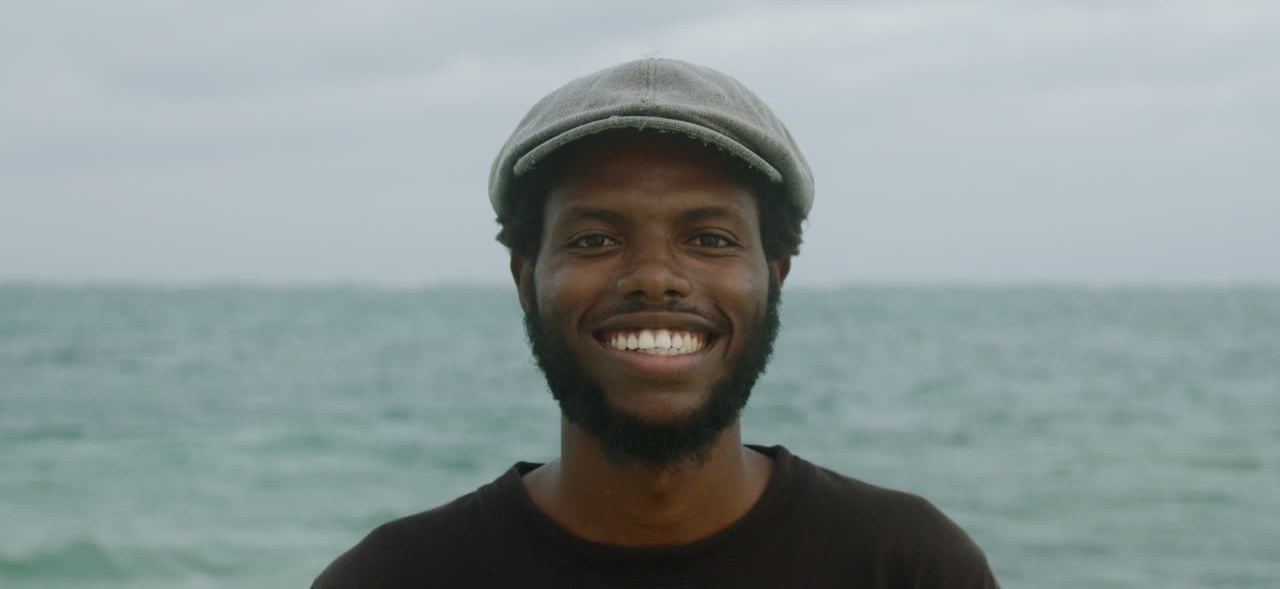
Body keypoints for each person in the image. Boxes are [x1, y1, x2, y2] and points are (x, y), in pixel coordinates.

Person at [313, 58, 1000, 587]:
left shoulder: (904, 567)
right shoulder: (394, 578)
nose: (655, 276)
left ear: (775, 276)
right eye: (593, 240)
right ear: (526, 280)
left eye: (708, 238)